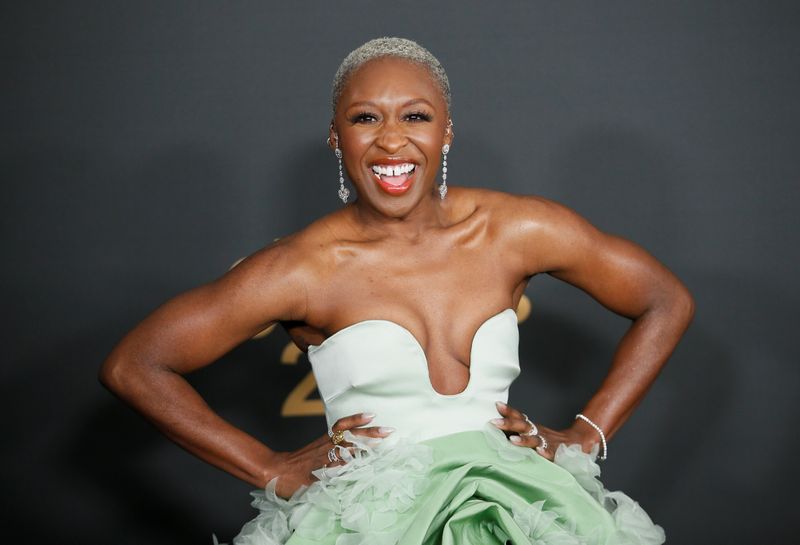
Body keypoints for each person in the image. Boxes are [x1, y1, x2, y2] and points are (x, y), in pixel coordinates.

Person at [100, 37, 694, 544]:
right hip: (373, 521)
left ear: (446, 131)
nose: (391, 141)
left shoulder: (517, 231)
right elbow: (137, 365)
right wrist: (269, 466)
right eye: (365, 118)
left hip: (519, 510)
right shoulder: (302, 267)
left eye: (415, 116)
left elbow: (664, 300)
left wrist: (586, 437)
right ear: (336, 137)